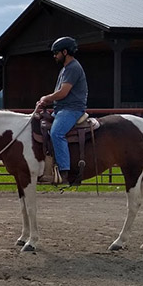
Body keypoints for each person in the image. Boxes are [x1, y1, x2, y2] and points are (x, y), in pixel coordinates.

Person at [37, 36, 88, 184]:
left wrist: (46, 98)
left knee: (57, 133)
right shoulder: (66, 68)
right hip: (62, 108)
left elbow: (63, 92)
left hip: (71, 109)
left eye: (56, 53)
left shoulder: (72, 68)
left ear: (65, 52)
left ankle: (64, 172)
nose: (54, 56)